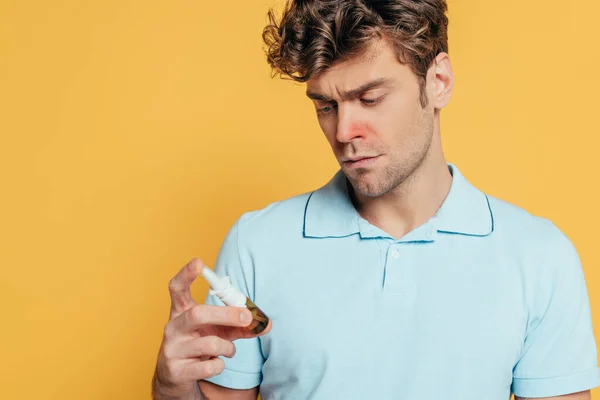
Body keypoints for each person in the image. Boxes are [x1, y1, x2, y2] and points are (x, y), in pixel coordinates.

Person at [152, 0, 600, 399]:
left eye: (370, 98)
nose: (344, 132)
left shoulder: (540, 257)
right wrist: (172, 389)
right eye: (325, 106)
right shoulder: (257, 245)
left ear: (438, 81)